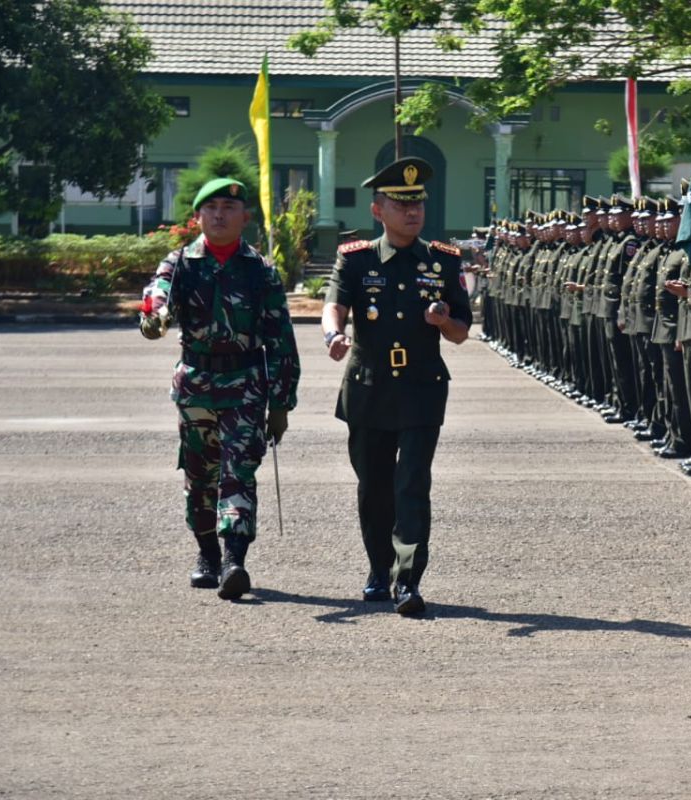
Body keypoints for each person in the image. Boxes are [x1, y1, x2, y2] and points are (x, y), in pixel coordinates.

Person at [322, 157, 472, 616]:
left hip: (421, 389)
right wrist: (334, 335)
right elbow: (334, 304)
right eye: (401, 204)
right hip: (369, 388)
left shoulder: (443, 262)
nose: (413, 213)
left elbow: (462, 331)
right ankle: (378, 567)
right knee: (374, 487)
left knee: (412, 484)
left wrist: (444, 320)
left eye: (418, 204)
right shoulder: (356, 258)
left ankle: (407, 580)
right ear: (377, 211)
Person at [139, 176, 300, 600]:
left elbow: (281, 337)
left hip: (246, 387)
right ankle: (206, 555)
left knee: (239, 471)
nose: (219, 214)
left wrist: (281, 403)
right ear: (197, 217)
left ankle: (234, 560)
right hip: (195, 387)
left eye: (229, 208)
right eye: (211, 208)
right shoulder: (181, 263)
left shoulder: (260, 270)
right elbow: (158, 295)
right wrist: (153, 318)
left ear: (244, 217)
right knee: (199, 474)